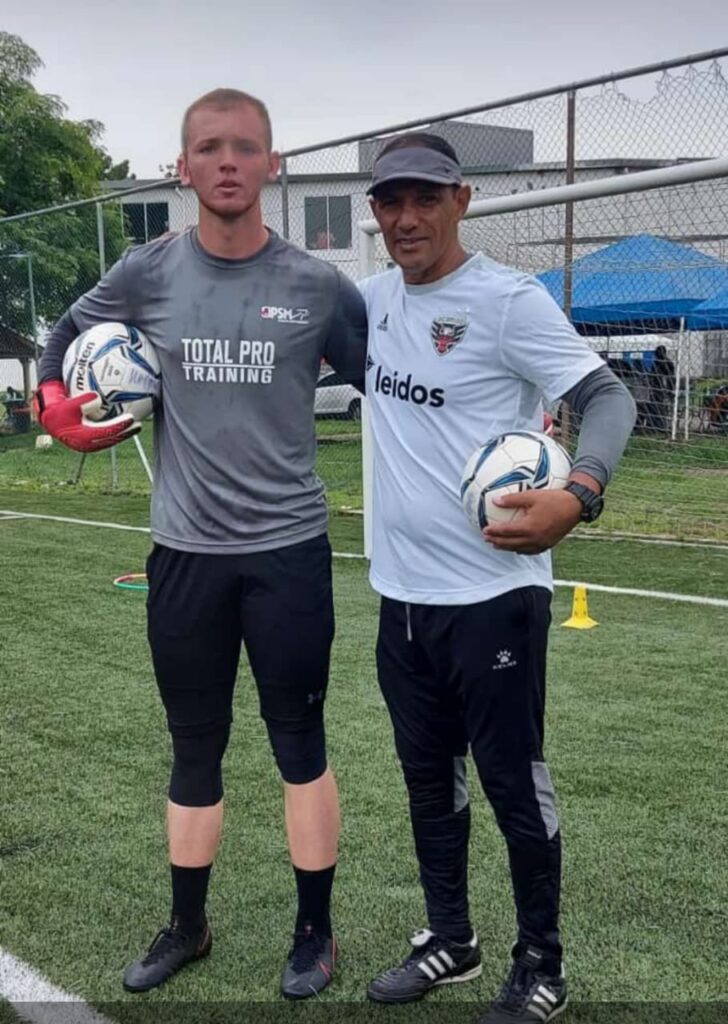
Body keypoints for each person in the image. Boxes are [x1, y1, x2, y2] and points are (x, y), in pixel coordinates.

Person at [33, 88, 367, 999]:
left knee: (300, 738)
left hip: (290, 551)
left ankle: (315, 934)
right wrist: (52, 403)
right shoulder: (146, 272)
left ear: (273, 164)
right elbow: (63, 337)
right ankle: (188, 925)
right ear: (183, 168)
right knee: (194, 745)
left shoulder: (317, 284)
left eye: (245, 147)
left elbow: (380, 376)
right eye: (209, 148)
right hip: (184, 552)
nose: (228, 161)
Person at [358, 133, 636, 1023]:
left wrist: (580, 493)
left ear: (462, 200)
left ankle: (541, 965)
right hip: (400, 598)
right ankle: (452, 939)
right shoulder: (365, 305)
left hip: (493, 601)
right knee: (427, 780)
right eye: (390, 202)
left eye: (425, 199)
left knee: (515, 784)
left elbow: (608, 398)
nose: (406, 218)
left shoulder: (509, 301)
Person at [646, 344, 676, 433]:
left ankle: (660, 425)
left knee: (660, 406)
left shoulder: (666, 363)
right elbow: (652, 375)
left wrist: (670, 389)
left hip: (663, 387)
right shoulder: (656, 362)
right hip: (656, 387)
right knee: (655, 405)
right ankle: (654, 424)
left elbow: (670, 377)